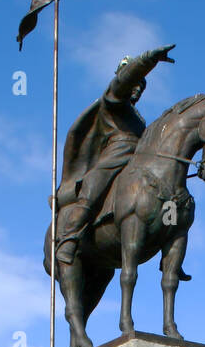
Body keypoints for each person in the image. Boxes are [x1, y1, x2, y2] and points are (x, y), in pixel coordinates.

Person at [54, 44, 176, 266]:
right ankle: (69, 237)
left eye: (142, 86)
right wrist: (148, 60)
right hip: (115, 155)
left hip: (138, 159)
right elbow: (122, 83)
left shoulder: (138, 117)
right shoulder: (113, 100)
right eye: (135, 83)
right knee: (94, 186)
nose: (138, 89)